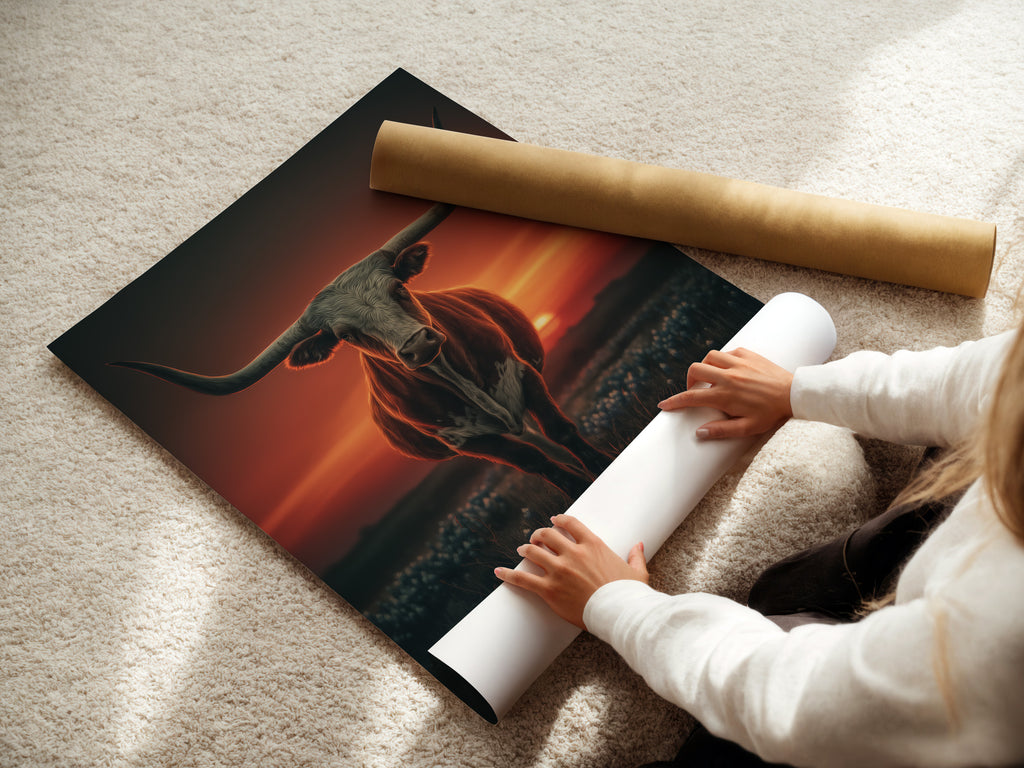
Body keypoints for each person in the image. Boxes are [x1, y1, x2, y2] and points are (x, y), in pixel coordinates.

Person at [494, 327, 1024, 767]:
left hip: (945, 710)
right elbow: (984, 378)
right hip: (956, 593)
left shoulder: (998, 636)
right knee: (787, 589)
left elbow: (797, 702)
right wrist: (796, 390)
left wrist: (619, 605)